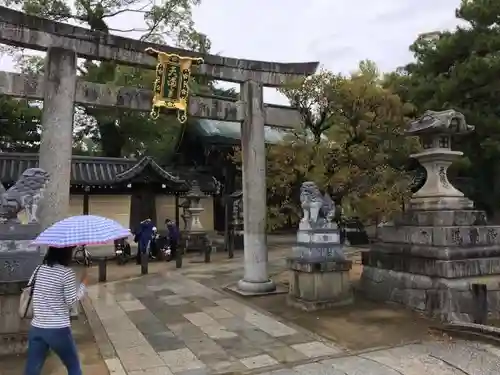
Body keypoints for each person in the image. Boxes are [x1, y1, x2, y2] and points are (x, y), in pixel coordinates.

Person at [24, 246, 87, 375]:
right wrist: (83, 285)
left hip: (37, 327)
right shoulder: (66, 273)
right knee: (73, 366)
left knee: (32, 369)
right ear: (66, 253)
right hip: (58, 329)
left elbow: (30, 289)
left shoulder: (39, 269)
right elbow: (71, 302)